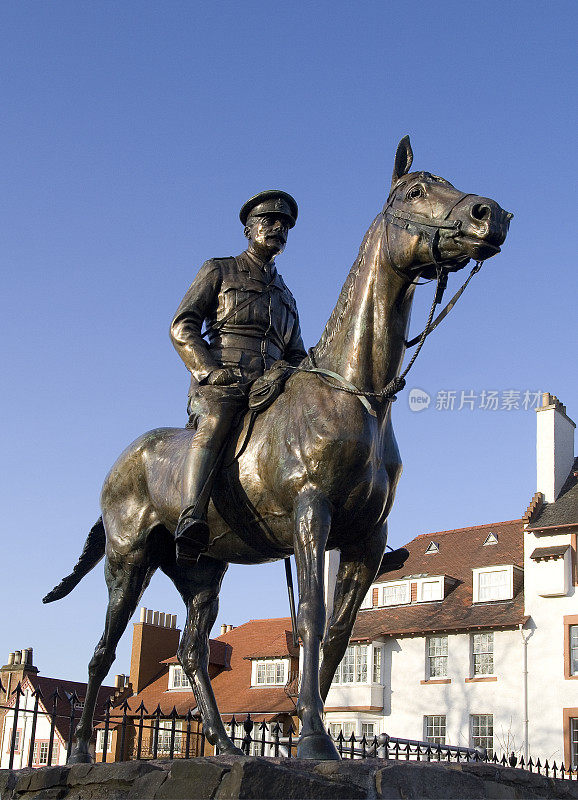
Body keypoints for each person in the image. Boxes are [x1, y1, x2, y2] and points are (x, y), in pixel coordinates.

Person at [170, 190, 307, 565]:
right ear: (249, 229)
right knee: (215, 423)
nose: (278, 229)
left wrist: (281, 373)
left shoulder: (287, 297)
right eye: (269, 222)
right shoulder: (219, 269)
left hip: (270, 388)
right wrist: (209, 372)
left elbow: (296, 353)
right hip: (223, 383)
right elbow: (183, 326)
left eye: (285, 226)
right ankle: (191, 518)